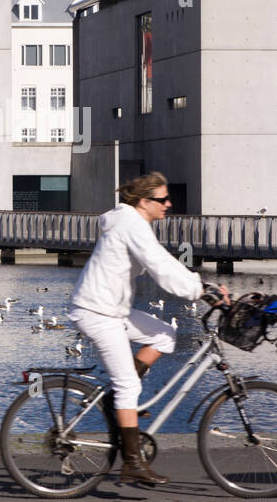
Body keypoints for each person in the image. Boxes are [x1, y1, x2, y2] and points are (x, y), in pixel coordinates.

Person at [68, 172, 228, 485]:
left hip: (111, 309)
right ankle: (132, 463)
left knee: (164, 334)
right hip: (97, 312)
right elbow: (159, 266)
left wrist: (201, 284)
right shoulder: (131, 224)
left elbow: (164, 263)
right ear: (144, 202)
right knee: (129, 385)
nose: (169, 204)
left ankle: (118, 401)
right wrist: (200, 290)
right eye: (163, 200)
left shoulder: (131, 223)